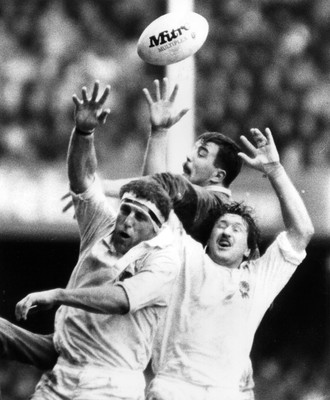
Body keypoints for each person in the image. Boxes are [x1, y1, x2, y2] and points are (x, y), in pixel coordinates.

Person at [12, 81, 180, 400]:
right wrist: (84, 134)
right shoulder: (104, 223)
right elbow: (83, 180)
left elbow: (121, 299)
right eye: (126, 209)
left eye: (140, 217)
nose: (128, 220)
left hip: (110, 383)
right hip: (63, 372)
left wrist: (59, 295)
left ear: (157, 228)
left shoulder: (163, 259)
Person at [146, 127, 314, 400]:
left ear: (248, 249)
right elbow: (155, 195)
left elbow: (302, 232)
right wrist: (159, 132)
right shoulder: (187, 257)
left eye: (237, 229)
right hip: (172, 390)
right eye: (221, 225)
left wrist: (275, 170)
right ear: (209, 235)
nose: (226, 231)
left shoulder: (259, 279)